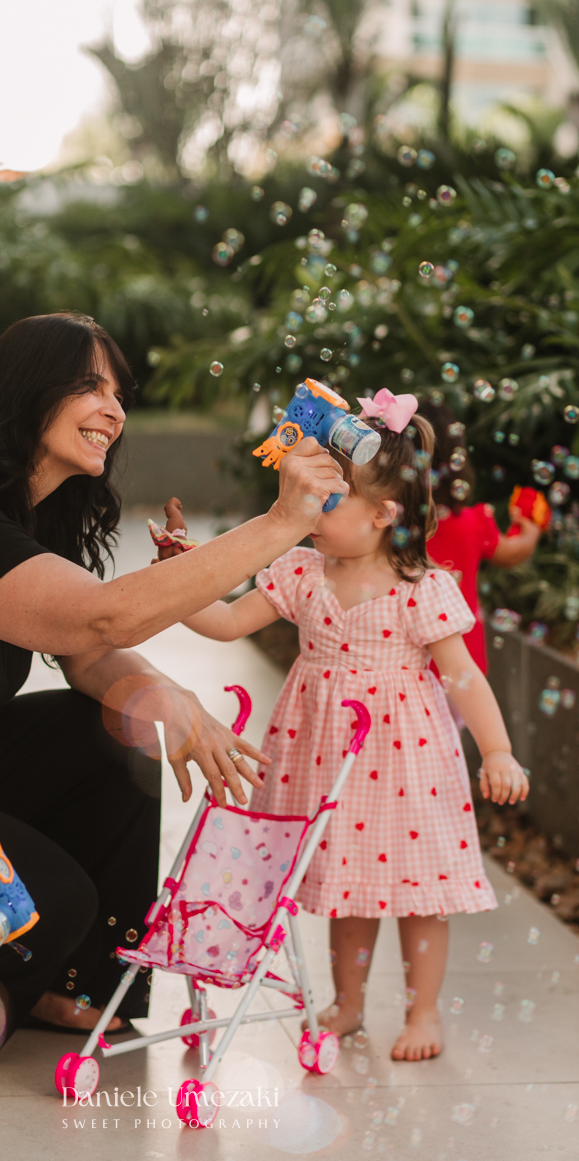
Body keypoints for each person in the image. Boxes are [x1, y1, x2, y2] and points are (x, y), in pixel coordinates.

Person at [0, 312, 348, 1065]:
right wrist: (280, 524)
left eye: (118, 393)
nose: (114, 410)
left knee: (118, 727)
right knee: (54, 902)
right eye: (89, 387)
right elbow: (100, 617)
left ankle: (74, 983)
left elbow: (85, 652)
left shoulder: (33, 510)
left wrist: (167, 697)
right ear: (28, 393)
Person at [176, 394, 529, 1062]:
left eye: (327, 502)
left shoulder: (420, 587)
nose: (309, 513)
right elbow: (223, 622)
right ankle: (348, 1002)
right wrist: (175, 581)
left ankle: (423, 1013)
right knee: (346, 885)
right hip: (326, 759)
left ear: (384, 514)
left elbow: (463, 677)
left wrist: (499, 750)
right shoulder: (301, 574)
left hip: (407, 763)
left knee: (419, 892)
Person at [419, 399, 541, 674]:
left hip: (407, 665)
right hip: (463, 667)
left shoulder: (389, 522)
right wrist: (529, 532)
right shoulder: (474, 521)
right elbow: (511, 553)